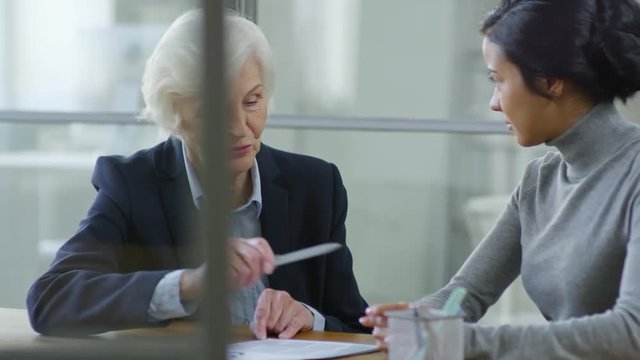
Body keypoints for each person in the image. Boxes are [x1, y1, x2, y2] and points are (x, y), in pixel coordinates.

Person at [26, 9, 368, 338]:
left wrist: (310, 318)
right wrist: (189, 283)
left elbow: (357, 326)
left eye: (252, 101)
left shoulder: (316, 186)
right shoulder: (132, 184)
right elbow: (51, 300)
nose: (238, 128)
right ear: (173, 113)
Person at [360, 0, 640, 358]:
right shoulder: (541, 178)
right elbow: (466, 293)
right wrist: (417, 318)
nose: (494, 103)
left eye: (498, 80)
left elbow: (631, 332)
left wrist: (465, 343)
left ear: (551, 81)